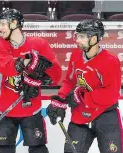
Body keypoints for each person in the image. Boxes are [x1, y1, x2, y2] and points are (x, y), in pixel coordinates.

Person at [0, 9, 62, 153]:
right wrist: (29, 60)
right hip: (4, 108)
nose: (0, 29)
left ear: (15, 23)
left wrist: (40, 76)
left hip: (30, 108)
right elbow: (8, 68)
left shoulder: (39, 44)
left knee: (38, 148)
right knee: (5, 149)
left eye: (3, 24)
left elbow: (56, 75)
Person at [47, 19, 122, 153]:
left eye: (82, 36)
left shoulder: (110, 61)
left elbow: (111, 94)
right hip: (80, 114)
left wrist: (82, 96)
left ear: (94, 38)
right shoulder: (76, 55)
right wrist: (60, 98)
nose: (77, 40)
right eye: (77, 35)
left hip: (105, 115)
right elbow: (69, 81)